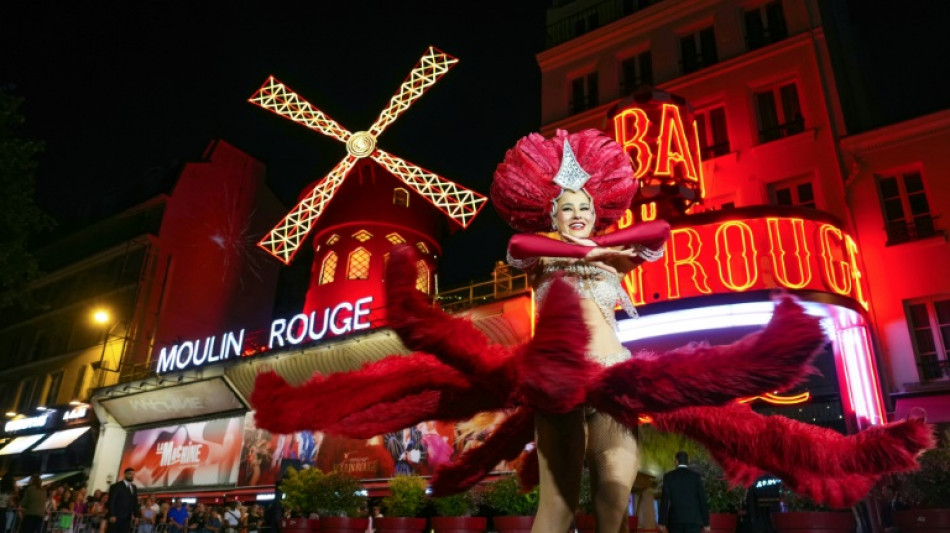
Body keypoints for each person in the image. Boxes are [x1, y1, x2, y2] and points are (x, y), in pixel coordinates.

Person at [496, 129, 669, 533]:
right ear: (552, 215)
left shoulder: (615, 259)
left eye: (585, 207)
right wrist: (585, 251)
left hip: (612, 383)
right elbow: (518, 245)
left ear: (596, 213)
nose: (577, 214)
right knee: (559, 509)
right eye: (567, 208)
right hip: (562, 385)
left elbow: (659, 229)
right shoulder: (542, 257)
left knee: (614, 502)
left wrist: (601, 247)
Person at [658, 452, 710, 533]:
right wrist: (706, 522)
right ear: (688, 461)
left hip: (675, 520)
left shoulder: (668, 476)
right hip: (693, 520)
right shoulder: (695, 477)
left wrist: (662, 521)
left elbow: (664, 500)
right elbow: (702, 500)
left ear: (676, 461)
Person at [107, 468, 139, 533]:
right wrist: (112, 514)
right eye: (130, 474)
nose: (132, 475)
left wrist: (136, 516)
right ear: (125, 474)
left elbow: (135, 502)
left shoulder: (134, 487)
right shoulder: (116, 486)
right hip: (116, 516)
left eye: (133, 474)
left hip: (127, 517)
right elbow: (112, 501)